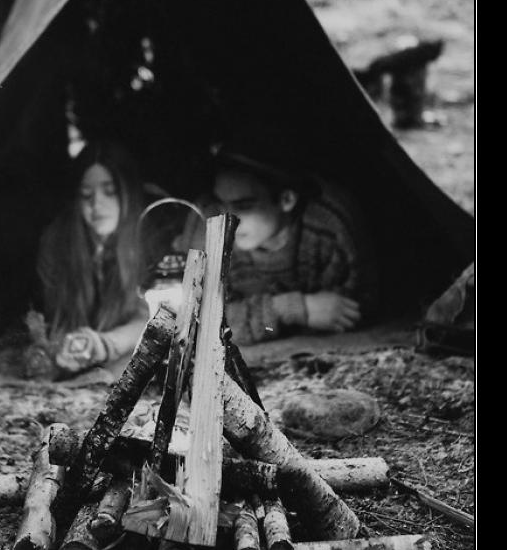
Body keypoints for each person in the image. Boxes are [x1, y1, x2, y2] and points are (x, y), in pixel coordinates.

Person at [187, 147, 379, 347]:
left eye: (244, 206)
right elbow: (199, 324)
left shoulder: (331, 227)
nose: (227, 219)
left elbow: (352, 312)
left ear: (286, 200)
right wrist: (292, 309)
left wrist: (248, 317)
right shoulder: (209, 228)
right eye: (221, 204)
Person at [24, 140, 148, 377]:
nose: (96, 204)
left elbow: (156, 320)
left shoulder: (147, 238)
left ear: (128, 194)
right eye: (86, 195)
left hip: (127, 352)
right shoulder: (58, 242)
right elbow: (50, 316)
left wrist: (105, 344)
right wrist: (65, 347)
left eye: (110, 192)